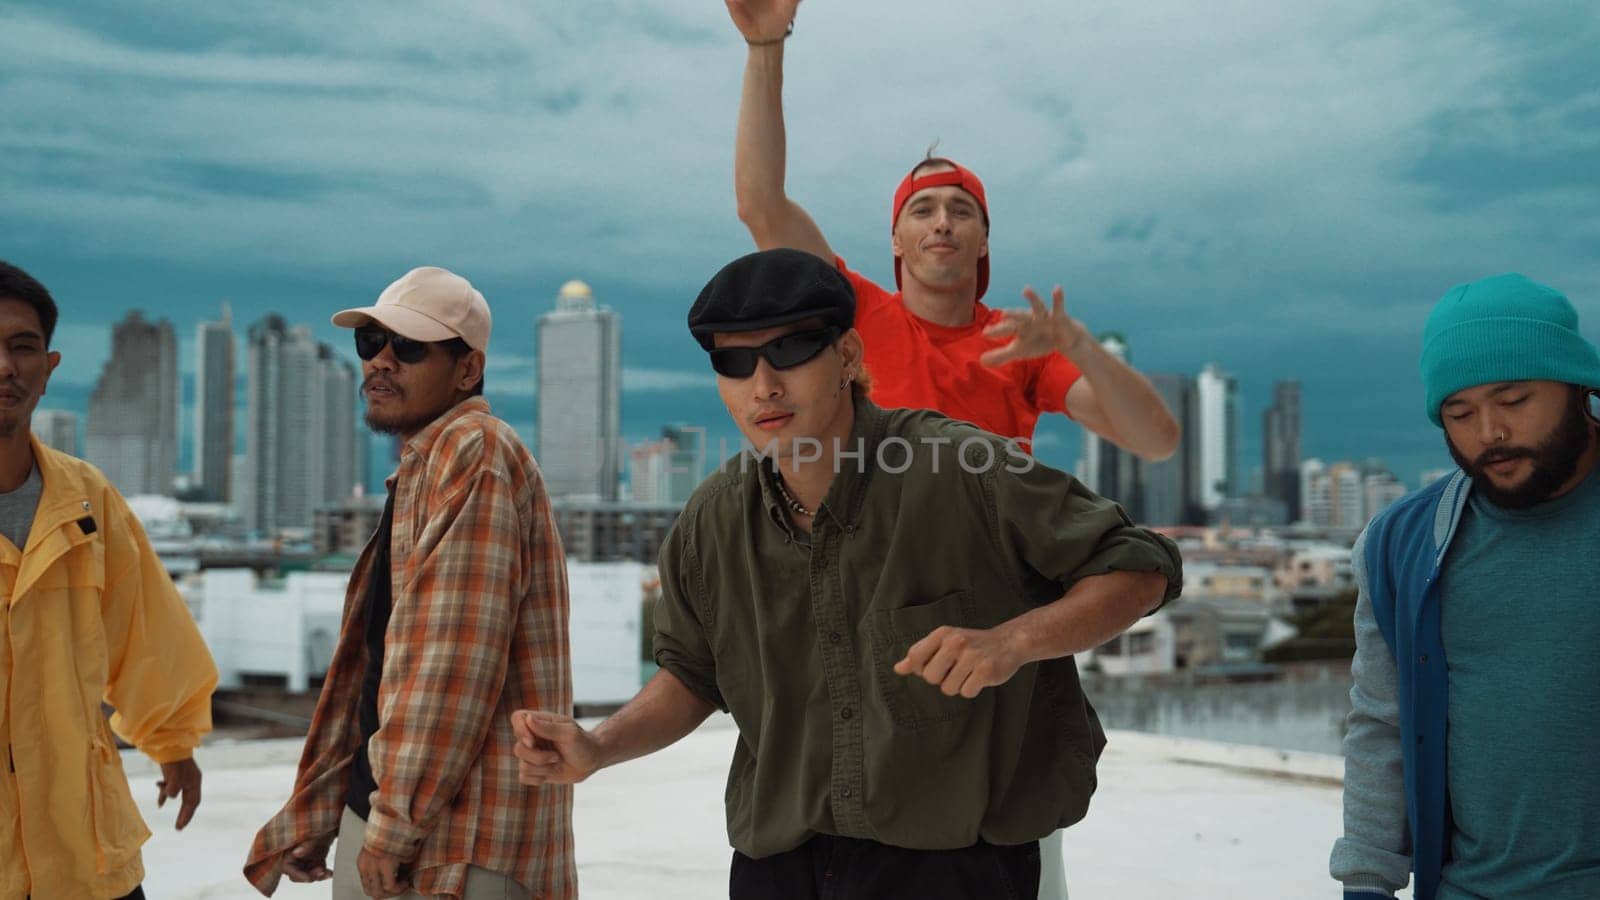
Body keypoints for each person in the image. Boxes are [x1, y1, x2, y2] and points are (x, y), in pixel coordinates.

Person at [511, 249, 1182, 900]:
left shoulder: (963, 469)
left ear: (849, 358)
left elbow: (1140, 566)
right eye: (736, 362)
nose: (764, 385)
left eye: (793, 351)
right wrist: (597, 746)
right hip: (777, 867)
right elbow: (692, 671)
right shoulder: (711, 521)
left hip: (953, 869)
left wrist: (1014, 641)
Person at [724, 0, 1179, 464]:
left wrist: (1081, 346)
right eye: (923, 209)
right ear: (896, 241)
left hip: (984, 535)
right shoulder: (855, 313)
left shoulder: (1018, 346)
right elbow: (760, 206)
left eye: (961, 210)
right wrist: (765, 44)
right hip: (875, 536)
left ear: (983, 241)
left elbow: (1156, 441)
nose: (942, 221)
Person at [243, 267, 575, 900]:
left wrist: (393, 826)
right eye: (371, 343)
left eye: (410, 347)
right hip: (406, 827)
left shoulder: (472, 450)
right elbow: (378, 673)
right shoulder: (424, 465)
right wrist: (328, 809)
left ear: (468, 369)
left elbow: (450, 662)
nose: (382, 362)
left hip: (457, 845)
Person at [1332, 273, 1600, 900]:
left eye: (1513, 400)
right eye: (1460, 412)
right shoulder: (1401, 544)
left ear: (1577, 385)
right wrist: (1366, 884)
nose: (1490, 431)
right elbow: (1381, 724)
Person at [0, 260, 218, 899]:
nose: (6, 366)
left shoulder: (88, 498)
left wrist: (174, 740)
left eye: (23, 347)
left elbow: (145, 629)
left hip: (86, 860)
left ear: (50, 367)